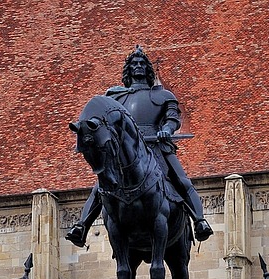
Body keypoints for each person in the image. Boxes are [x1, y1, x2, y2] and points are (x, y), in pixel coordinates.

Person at [65, 46, 214, 247]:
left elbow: (172, 118)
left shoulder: (163, 95)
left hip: (156, 146)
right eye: (134, 64)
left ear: (148, 69)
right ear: (128, 69)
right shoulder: (114, 98)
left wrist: (167, 131)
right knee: (101, 186)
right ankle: (81, 226)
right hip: (126, 152)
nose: (138, 67)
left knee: (181, 180)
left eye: (142, 64)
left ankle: (199, 220)